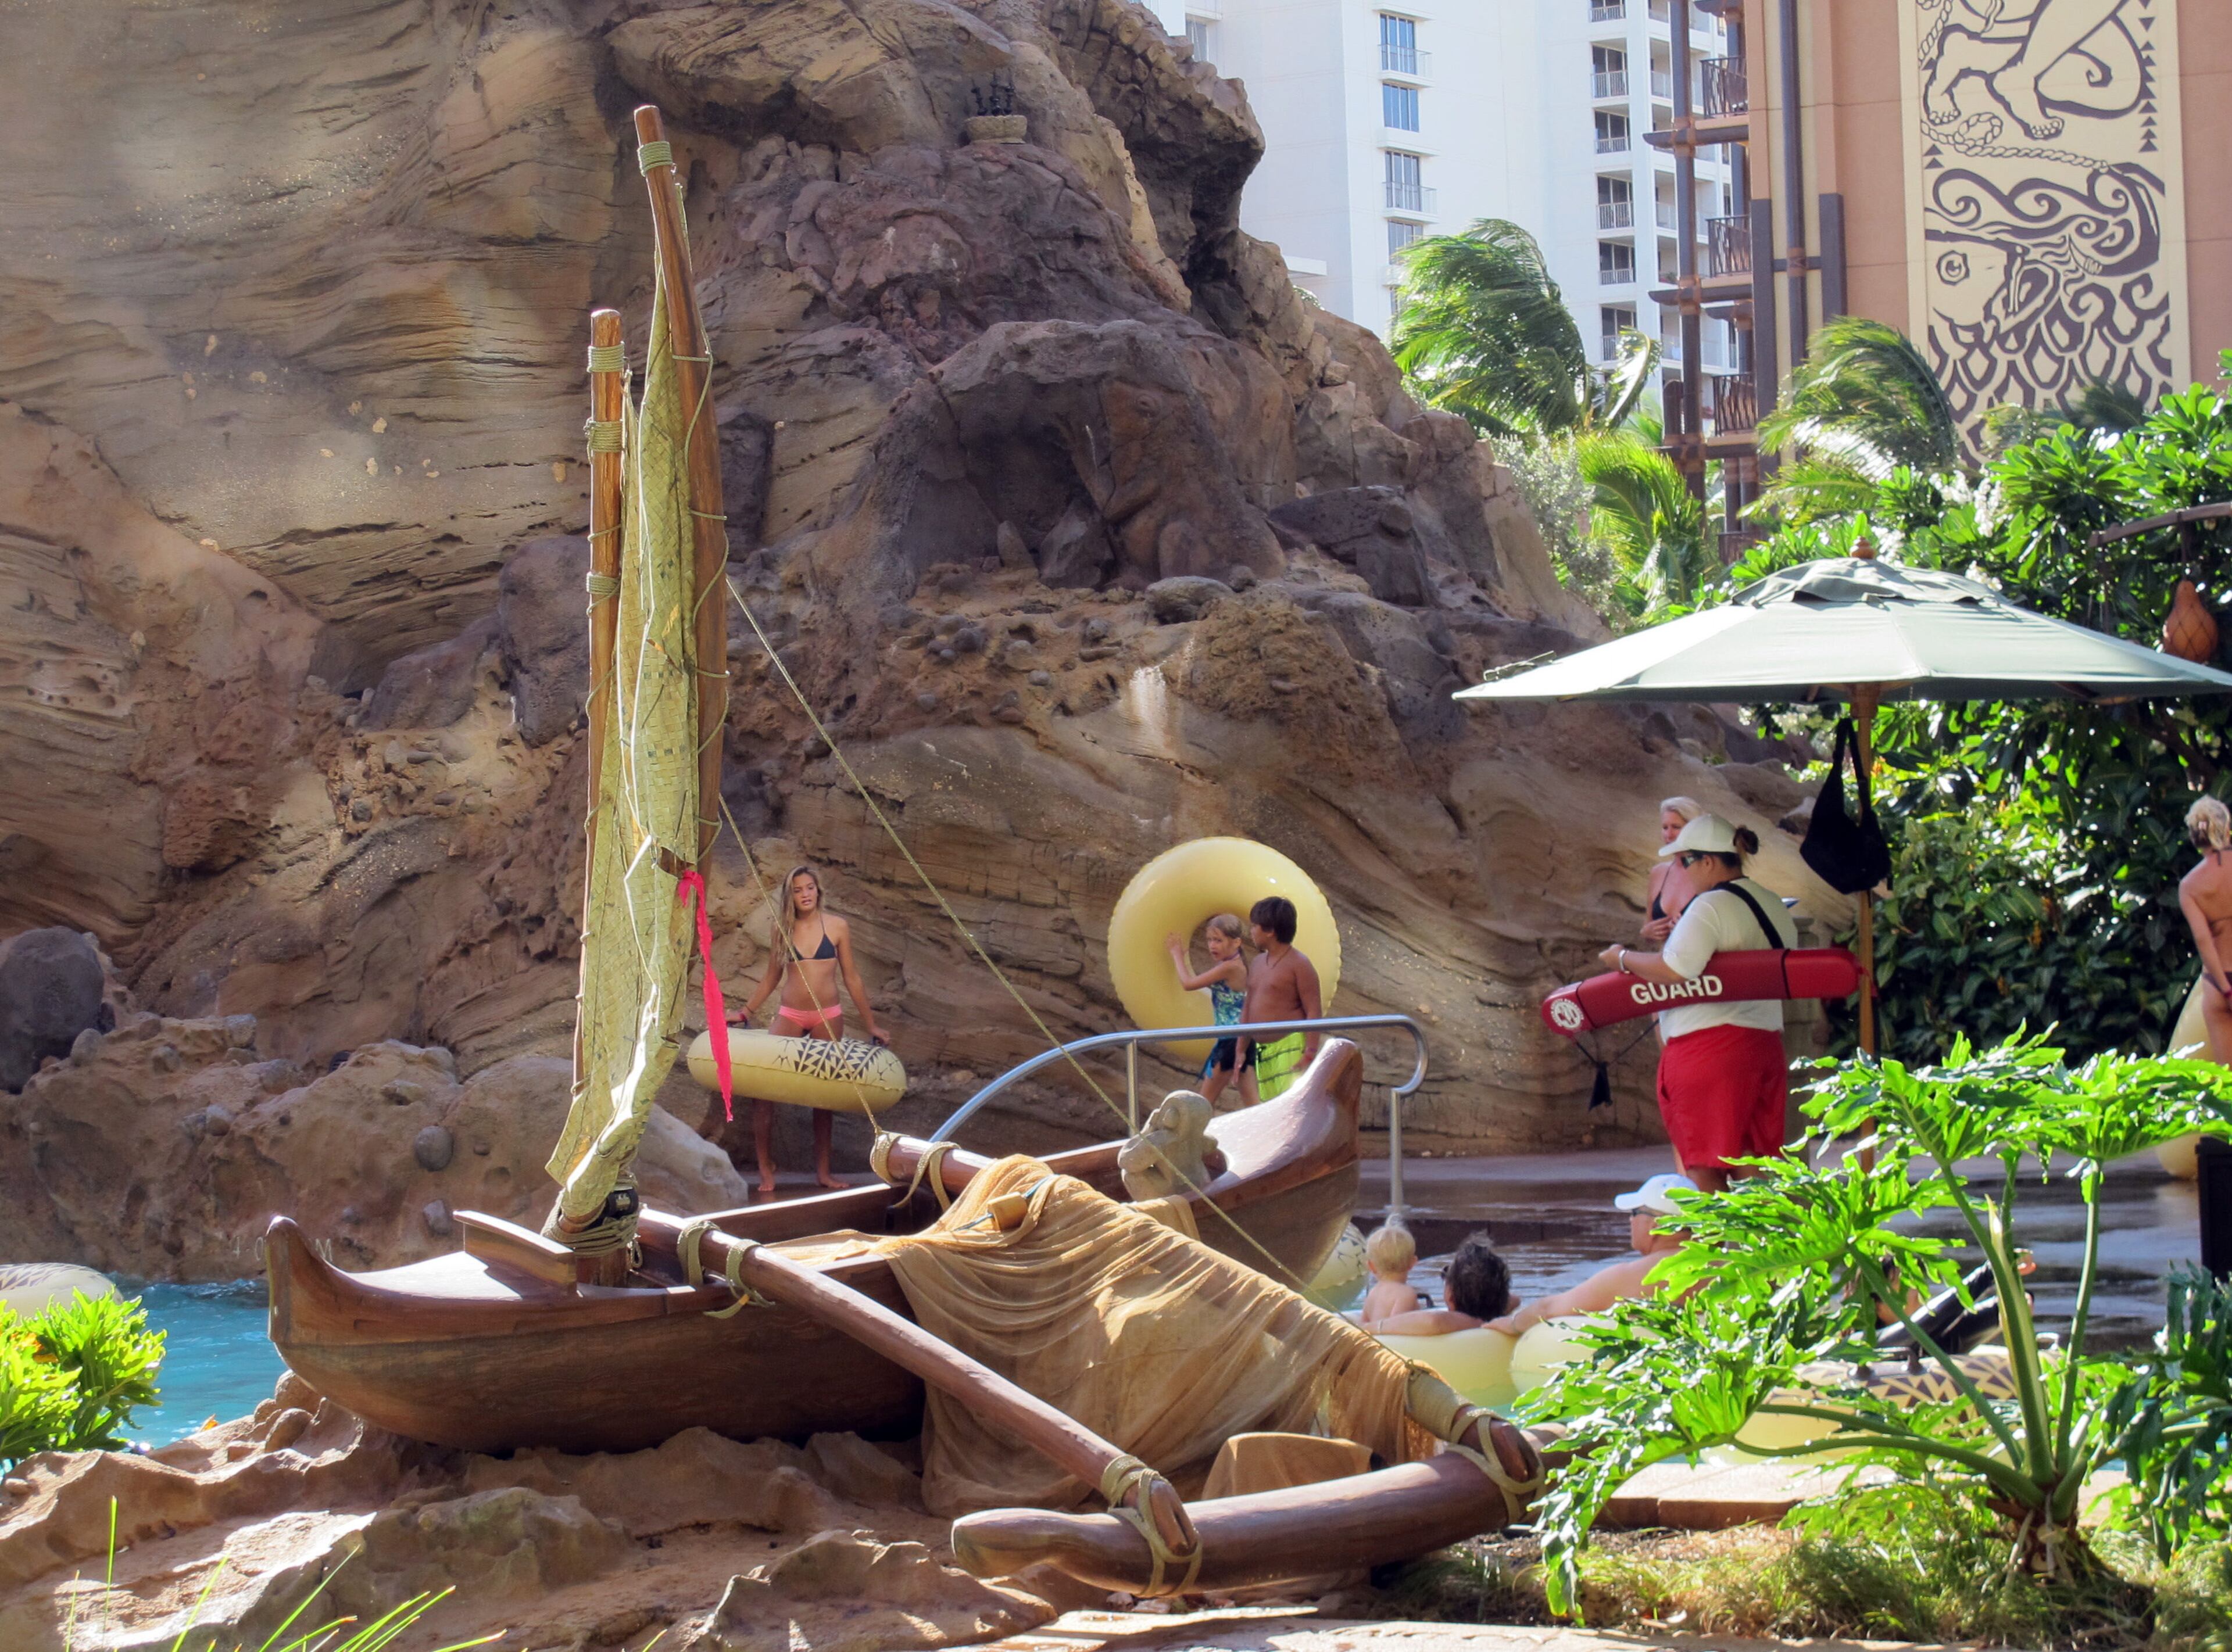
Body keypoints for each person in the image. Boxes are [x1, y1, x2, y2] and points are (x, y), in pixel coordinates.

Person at [1597, 814, 1796, 1194]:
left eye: (1685, 860)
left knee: (1704, 1167)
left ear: (1708, 862)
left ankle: (1712, 1253)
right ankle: (1770, 1250)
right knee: (1750, 1161)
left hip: (1710, 1051)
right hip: (1764, 1046)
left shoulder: (1710, 906)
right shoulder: (1771, 902)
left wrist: (1621, 958)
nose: (1680, 869)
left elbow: (1675, 967)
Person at [732, 865, 885, 1194]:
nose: (805, 894)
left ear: (819, 891)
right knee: (763, 1091)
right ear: (791, 895)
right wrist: (746, 1012)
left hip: (827, 1016)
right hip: (790, 1014)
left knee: (823, 1097)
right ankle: (765, 1168)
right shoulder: (782, 929)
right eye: (799, 889)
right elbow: (773, 977)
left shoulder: (838, 927)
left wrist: (871, 1023)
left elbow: (852, 978)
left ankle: (824, 1173)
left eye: (810, 888)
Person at [1487, 1174, 1694, 1335]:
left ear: (1656, 1225)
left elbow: (1548, 1309)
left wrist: (1512, 1325)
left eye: (1635, 1214)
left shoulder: (1629, 1277)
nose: (1631, 1221)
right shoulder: (1723, 1267)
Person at [1165, 915, 1258, 1109]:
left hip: (1231, 1042)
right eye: (1209, 940)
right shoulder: (1236, 963)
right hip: (1243, 1039)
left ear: (1236, 942)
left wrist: (1177, 954)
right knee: (1253, 1104)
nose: (1212, 946)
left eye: (1218, 940)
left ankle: (1192, 1139)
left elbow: (1188, 984)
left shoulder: (1230, 967)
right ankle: (1273, 1136)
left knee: (1203, 1104)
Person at [1236, 896, 1323, 1102]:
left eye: (1254, 926)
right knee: (1271, 1108)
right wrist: (1240, 1049)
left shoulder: (1299, 964)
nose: (1251, 932)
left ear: (1270, 931)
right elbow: (1248, 1006)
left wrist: (1309, 1053)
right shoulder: (1257, 963)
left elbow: (1314, 1011)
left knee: (1291, 1107)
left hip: (1290, 1047)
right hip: (1262, 1050)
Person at [1365, 1234, 1513, 1335]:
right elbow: (1515, 1300)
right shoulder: (1497, 1315)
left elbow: (1433, 1321)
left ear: (1450, 1296)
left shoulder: (1463, 1323)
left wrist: (1371, 1328)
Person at [2178, 797, 2232, 1063]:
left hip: (2217, 984)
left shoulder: (2190, 885)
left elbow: (2204, 940)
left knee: (2228, 1086)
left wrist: (2225, 988)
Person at [1641, 795, 1705, 944]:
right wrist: (1646, 932)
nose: (1668, 835)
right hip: (1663, 962)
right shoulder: (1658, 872)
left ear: (1694, 829)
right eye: (1665, 828)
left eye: (1676, 827)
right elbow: (1647, 930)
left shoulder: (1710, 872)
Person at [1358, 1221, 1425, 1324]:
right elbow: (1396, 1327)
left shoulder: (1373, 1293)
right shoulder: (1406, 1294)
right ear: (1413, 1262)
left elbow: (1362, 1326)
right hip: (1390, 1340)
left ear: (1371, 1266)